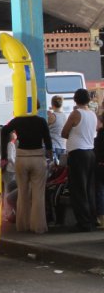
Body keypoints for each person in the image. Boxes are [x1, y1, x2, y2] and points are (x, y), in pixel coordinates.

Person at [1, 104, 53, 234]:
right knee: (38, 194)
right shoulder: (41, 121)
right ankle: (38, 226)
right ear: (37, 107)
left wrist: (4, 154)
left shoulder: (18, 120)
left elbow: (4, 131)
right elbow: (48, 140)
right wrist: (49, 155)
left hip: (22, 157)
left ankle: (22, 225)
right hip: (37, 157)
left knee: (22, 192)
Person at [61, 88, 98, 232]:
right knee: (89, 188)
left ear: (75, 99)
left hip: (78, 153)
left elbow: (64, 132)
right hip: (90, 152)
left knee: (78, 189)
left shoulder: (76, 114)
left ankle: (83, 222)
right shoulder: (92, 114)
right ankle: (92, 219)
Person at [47, 95, 68, 163]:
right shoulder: (65, 116)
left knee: (53, 169)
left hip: (54, 146)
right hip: (63, 146)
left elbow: (45, 129)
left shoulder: (52, 116)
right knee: (60, 170)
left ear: (52, 104)